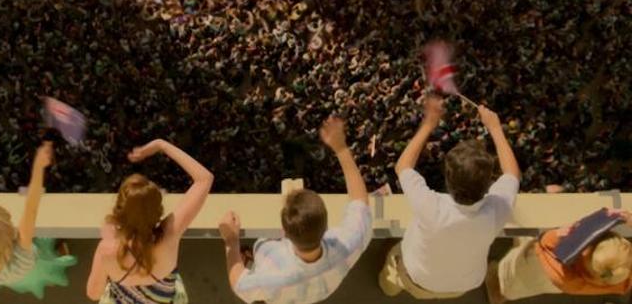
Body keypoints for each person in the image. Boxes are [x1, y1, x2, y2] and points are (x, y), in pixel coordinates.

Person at [378, 96, 520, 298]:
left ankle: (388, 287)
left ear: (448, 177)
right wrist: (496, 129)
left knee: (394, 265)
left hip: (415, 276)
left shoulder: (431, 206)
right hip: (461, 286)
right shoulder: (497, 211)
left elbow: (402, 166)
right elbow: (512, 174)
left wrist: (428, 125)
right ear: (490, 183)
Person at [221, 117, 372, 304]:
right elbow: (360, 203)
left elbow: (239, 284)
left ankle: (249, 260)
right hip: (310, 293)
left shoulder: (272, 273)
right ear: (325, 224)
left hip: (277, 288)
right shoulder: (348, 245)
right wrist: (341, 149)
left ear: (284, 232)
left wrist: (231, 241)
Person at [85, 139, 214, 304]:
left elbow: (93, 293)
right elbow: (205, 178)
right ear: (158, 211)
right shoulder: (170, 234)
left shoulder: (107, 249)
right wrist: (161, 145)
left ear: (119, 211)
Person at [0, 141, 77, 298]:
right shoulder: (21, 258)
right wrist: (38, 167)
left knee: (36, 276)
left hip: (13, 279)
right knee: (47, 258)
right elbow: (31, 210)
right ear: (11, 240)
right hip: (25, 271)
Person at [487, 208, 632, 302]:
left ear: (589, 249)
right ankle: (505, 292)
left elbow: (544, 242)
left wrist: (558, 234)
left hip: (538, 265)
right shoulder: (618, 280)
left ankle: (499, 290)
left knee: (511, 276)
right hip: (555, 284)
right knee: (527, 287)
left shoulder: (562, 267)